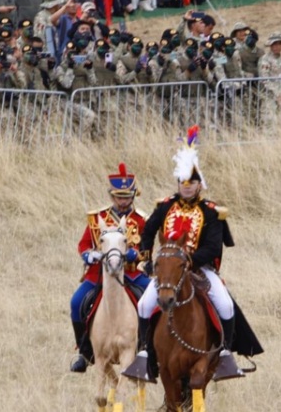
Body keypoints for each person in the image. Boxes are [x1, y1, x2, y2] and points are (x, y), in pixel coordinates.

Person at [123, 126, 260, 383]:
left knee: (226, 304)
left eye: (192, 183)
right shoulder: (165, 206)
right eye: (182, 183)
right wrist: (147, 258)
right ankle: (144, 355)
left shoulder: (210, 212)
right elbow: (148, 231)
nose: (186, 187)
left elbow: (212, 246)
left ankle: (225, 356)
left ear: (200, 185)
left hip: (200, 269)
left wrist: (189, 260)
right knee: (143, 305)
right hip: (167, 270)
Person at [69, 163, 149, 373]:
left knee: (154, 299)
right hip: (99, 274)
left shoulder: (141, 220)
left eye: (126, 197)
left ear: (133, 196)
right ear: (112, 196)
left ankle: (148, 348)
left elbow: (147, 249)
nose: (122, 201)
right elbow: (84, 244)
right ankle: (84, 352)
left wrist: (136, 254)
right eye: (118, 196)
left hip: (131, 273)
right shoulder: (97, 218)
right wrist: (88, 254)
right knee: (77, 302)